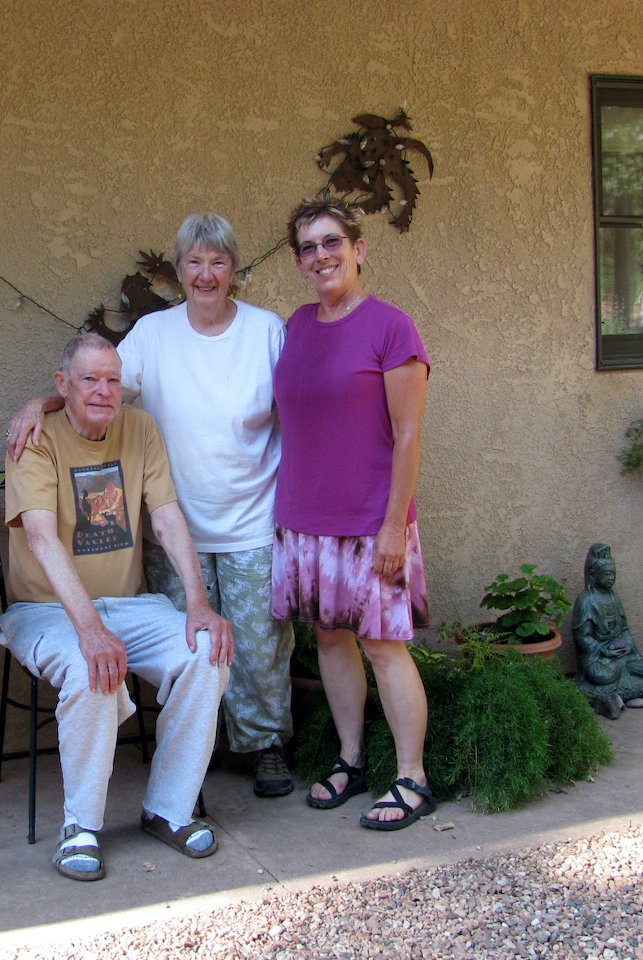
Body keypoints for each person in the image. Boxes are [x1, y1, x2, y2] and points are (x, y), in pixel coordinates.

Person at [8, 213, 297, 799]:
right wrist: (39, 404)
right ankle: (199, 752)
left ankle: (264, 746)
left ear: (234, 270)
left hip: (251, 517)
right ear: (179, 269)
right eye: (194, 262)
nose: (205, 274)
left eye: (218, 262)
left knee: (259, 646)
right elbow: (97, 384)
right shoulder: (153, 334)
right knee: (193, 647)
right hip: (175, 527)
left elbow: (298, 408)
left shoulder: (266, 330)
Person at [0, 332, 233, 882]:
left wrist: (198, 604)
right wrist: (91, 630)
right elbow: (41, 538)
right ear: (62, 385)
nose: (104, 391)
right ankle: (80, 827)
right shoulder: (34, 436)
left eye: (113, 380)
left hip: (130, 605)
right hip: (46, 611)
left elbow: (165, 518)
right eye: (89, 379)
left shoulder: (140, 429)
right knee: (90, 666)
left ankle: (169, 810)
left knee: (206, 652)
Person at [271, 195, 434, 830]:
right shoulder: (297, 325)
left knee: (383, 646)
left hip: (371, 522)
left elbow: (408, 437)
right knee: (330, 639)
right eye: (308, 247)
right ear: (298, 261)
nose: (321, 255)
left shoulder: (392, 328)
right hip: (304, 519)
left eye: (332, 242)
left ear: (358, 249)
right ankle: (351, 759)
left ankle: (413, 778)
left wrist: (394, 525)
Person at [571, 543, 643, 701]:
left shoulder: (614, 597)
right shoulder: (586, 600)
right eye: (607, 573)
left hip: (622, 655)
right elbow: (582, 636)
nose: (611, 577)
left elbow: (624, 629)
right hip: (600, 658)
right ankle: (619, 677)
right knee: (600, 675)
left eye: (614, 573)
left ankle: (623, 673)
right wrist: (604, 651)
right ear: (593, 573)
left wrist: (628, 646)